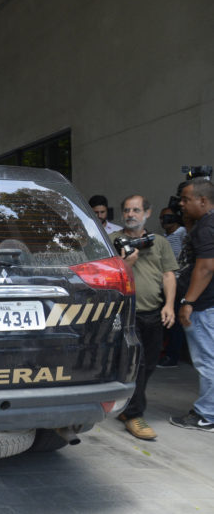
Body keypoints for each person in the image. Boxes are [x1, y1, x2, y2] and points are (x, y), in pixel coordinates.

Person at [110, 194, 177, 440]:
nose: (131, 214)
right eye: (127, 210)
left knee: (148, 365)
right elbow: (106, 274)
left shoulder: (158, 242)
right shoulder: (112, 241)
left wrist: (169, 305)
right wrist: (126, 263)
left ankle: (127, 405)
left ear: (147, 213)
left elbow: (168, 274)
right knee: (136, 365)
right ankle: (134, 414)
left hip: (153, 312)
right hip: (126, 313)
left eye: (136, 210)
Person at [171, 178, 214, 432]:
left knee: (207, 360)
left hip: (203, 306)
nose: (182, 204)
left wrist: (188, 301)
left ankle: (207, 414)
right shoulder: (205, 224)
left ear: (203, 200)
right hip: (208, 304)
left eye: (186, 200)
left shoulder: (206, 228)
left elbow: (206, 267)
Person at [158, 205, 188, 368]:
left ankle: (172, 356)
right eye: (162, 217)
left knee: (174, 322)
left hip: (177, 284)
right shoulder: (164, 237)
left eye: (168, 217)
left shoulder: (182, 234)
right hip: (164, 283)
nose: (164, 220)